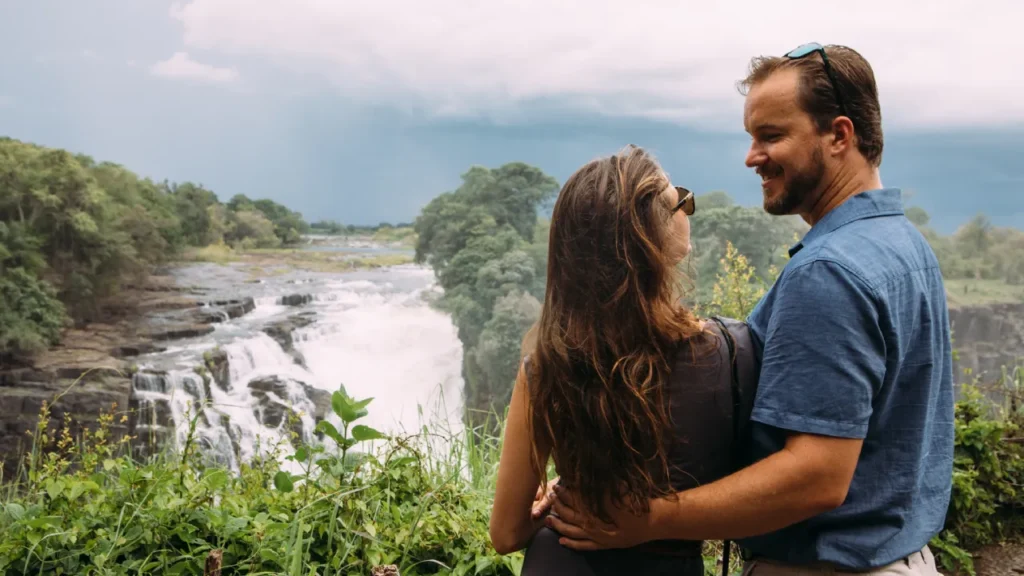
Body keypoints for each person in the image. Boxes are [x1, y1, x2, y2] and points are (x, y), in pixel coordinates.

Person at [544, 43, 954, 575]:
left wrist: (646, 519)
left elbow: (817, 476)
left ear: (839, 135)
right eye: (751, 136)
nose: (751, 156)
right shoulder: (904, 245)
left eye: (771, 136)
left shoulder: (827, 273)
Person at [488, 144, 759, 576]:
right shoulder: (726, 355)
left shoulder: (547, 366)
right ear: (654, 235)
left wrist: (556, 505)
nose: (688, 208)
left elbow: (505, 535)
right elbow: (755, 495)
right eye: (681, 201)